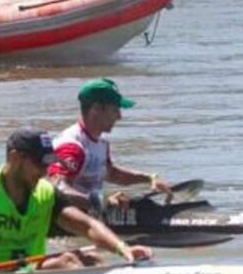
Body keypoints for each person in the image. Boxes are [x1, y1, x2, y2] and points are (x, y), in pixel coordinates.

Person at [0, 129, 151, 274]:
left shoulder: (44, 192)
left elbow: (88, 226)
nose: (44, 172)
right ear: (15, 158)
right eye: (39, 165)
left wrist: (123, 249)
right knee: (68, 262)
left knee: (92, 257)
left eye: (48, 165)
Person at [47, 78, 173, 214]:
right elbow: (56, 188)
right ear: (96, 109)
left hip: (92, 211)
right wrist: (102, 201)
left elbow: (112, 173)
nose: (119, 116)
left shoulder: (101, 141)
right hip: (66, 218)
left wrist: (149, 178)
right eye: (115, 110)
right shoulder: (72, 146)